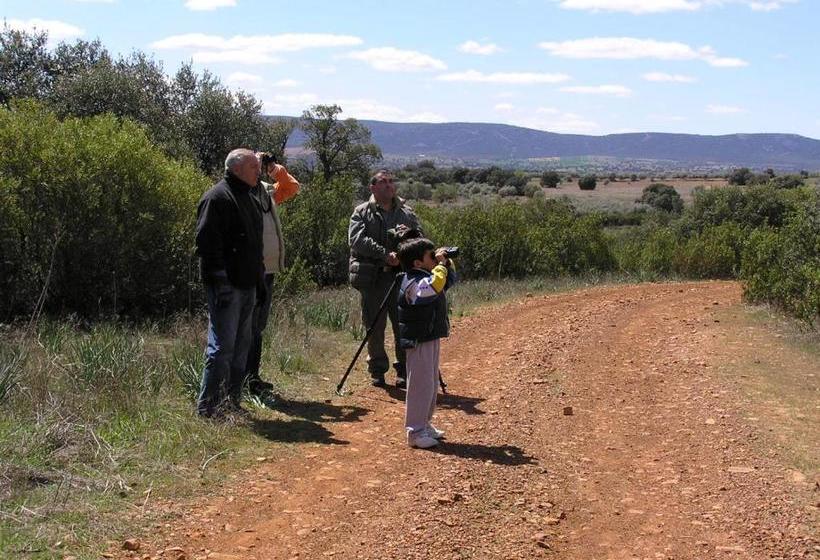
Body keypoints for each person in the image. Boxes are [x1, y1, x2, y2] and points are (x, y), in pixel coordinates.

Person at [194, 148, 266, 419]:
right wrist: (221, 282)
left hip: (247, 285)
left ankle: (231, 402)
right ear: (236, 169)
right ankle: (210, 408)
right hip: (227, 287)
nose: (257, 171)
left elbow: (255, 246)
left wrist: (260, 284)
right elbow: (206, 246)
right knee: (222, 347)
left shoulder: (249, 198)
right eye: (252, 167)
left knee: (241, 346)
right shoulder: (217, 198)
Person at [348, 169, 421, 388]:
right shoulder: (361, 212)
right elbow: (357, 240)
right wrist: (384, 255)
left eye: (391, 181)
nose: (389, 185)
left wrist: (403, 253)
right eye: (383, 182)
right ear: (372, 187)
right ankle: (378, 371)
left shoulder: (406, 213)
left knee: (403, 326)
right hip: (374, 278)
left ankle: (404, 371)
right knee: (374, 326)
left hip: (401, 278)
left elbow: (420, 239)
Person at [244, 152, 300, 397]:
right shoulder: (240, 192)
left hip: (268, 269)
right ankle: (243, 379)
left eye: (260, 166)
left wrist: (274, 169)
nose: (259, 170)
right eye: (255, 166)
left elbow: (292, 187)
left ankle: (252, 378)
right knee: (247, 326)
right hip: (250, 270)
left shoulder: (267, 191)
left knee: (258, 327)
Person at [395, 235, 457, 449]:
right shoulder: (412, 282)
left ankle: (424, 424)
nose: (435, 258)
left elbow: (446, 281)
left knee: (429, 384)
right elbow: (432, 288)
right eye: (430, 256)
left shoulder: (425, 276)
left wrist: (445, 264)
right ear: (417, 263)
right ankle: (415, 431)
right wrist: (440, 266)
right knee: (420, 386)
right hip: (418, 340)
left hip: (429, 336)